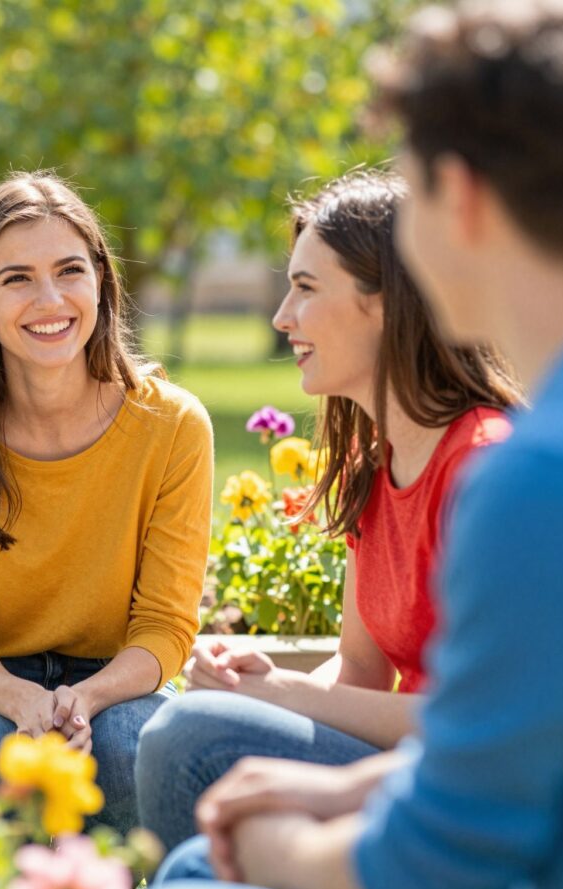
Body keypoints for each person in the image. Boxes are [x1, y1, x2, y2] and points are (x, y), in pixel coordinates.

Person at [147, 0, 563, 889]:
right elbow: (540, 748)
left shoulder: (545, 475)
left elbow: (446, 855)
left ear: (463, 198)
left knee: (195, 874)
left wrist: (268, 844)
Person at [136, 170, 522, 851]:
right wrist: (255, 684)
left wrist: (284, 696)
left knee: (188, 736)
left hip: (468, 794)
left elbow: (492, 723)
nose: (282, 316)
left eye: (307, 288)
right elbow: (357, 670)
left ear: (388, 303)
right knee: (200, 717)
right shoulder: (375, 463)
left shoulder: (484, 466)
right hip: (395, 773)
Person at [0, 171, 214, 831]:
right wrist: (22, 703)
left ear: (100, 281)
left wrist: (82, 701)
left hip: (120, 680)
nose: (51, 300)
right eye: (16, 279)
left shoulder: (174, 426)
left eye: (70, 271)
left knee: (132, 753)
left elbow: (165, 629)